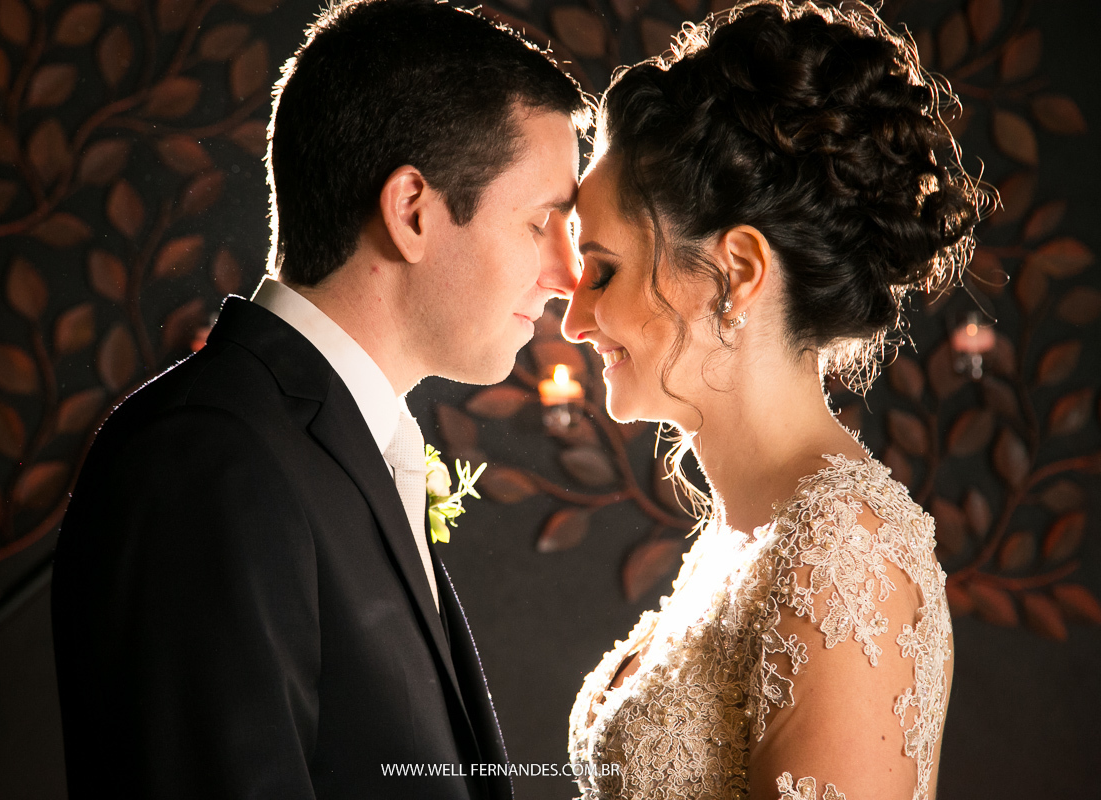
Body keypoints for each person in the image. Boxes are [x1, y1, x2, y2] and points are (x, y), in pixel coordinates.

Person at [50, 1, 587, 797]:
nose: (568, 275)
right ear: (413, 212)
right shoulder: (208, 458)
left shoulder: (327, 443)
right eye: (543, 222)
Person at [561, 2, 988, 799]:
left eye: (603, 270)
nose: (574, 319)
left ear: (738, 273)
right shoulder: (741, 531)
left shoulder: (844, 555)